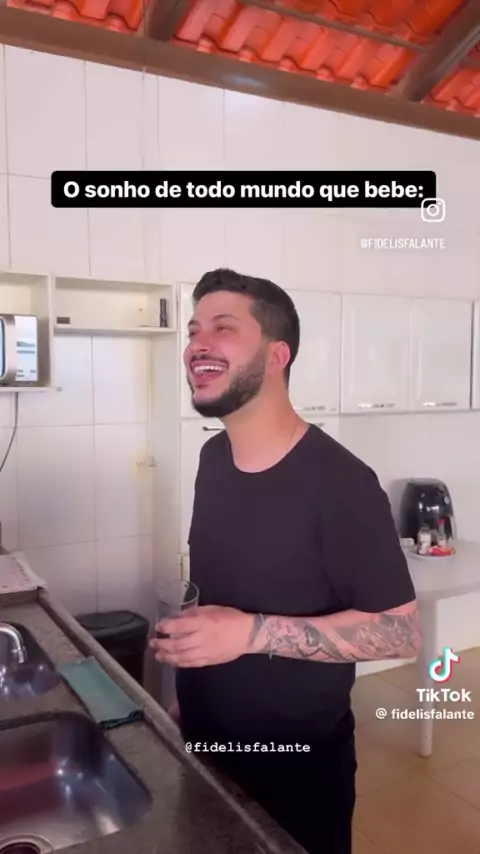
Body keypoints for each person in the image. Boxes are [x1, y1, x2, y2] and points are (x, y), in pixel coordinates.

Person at [150, 268, 421, 854]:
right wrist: (188, 697)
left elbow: (400, 632)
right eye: (193, 330)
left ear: (277, 356)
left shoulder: (342, 484)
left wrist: (249, 634)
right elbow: (220, 595)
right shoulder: (212, 459)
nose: (197, 344)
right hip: (206, 741)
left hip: (296, 766)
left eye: (223, 328)